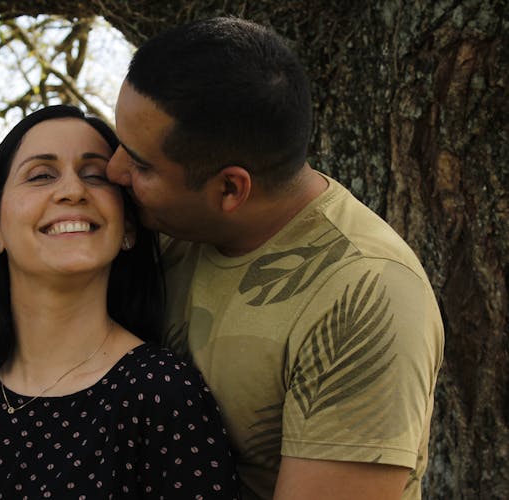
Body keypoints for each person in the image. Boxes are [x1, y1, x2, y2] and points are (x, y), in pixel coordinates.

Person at [106, 17, 444, 500]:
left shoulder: (366, 295)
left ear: (230, 188)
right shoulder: (167, 229)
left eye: (141, 164)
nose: (114, 169)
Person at [0, 105, 241, 499]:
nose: (73, 191)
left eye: (94, 175)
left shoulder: (163, 393)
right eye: (41, 175)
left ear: (127, 228)